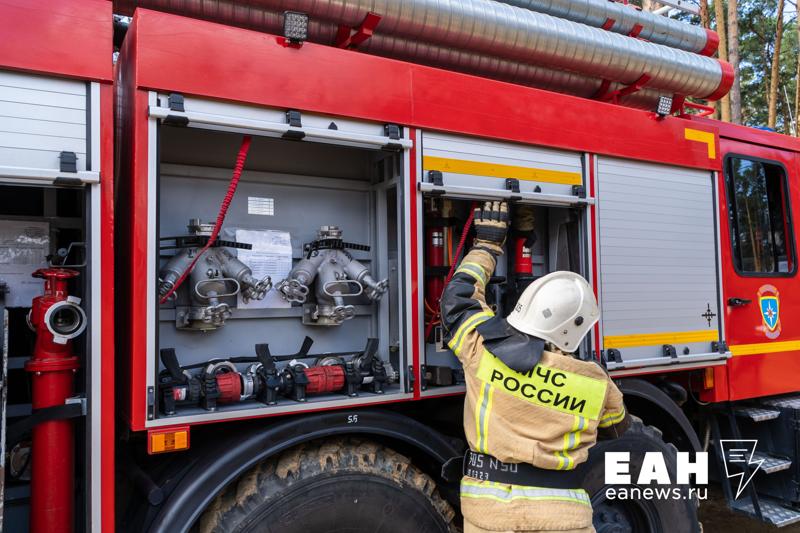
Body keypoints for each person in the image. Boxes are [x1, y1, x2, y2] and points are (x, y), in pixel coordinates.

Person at [441, 201, 630, 533]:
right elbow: (616, 429)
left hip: (491, 518)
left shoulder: (482, 352)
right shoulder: (597, 384)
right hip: (565, 519)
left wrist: (486, 246)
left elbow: (458, 301)